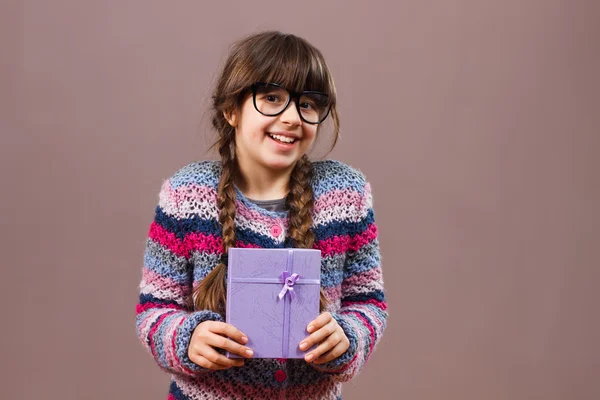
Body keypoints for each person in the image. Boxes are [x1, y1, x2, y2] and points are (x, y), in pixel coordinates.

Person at [135, 30, 388, 400]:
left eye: (308, 103)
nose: (291, 118)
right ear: (231, 109)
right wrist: (187, 338)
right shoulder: (185, 195)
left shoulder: (345, 195)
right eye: (271, 98)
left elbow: (368, 302)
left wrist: (348, 336)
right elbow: (154, 311)